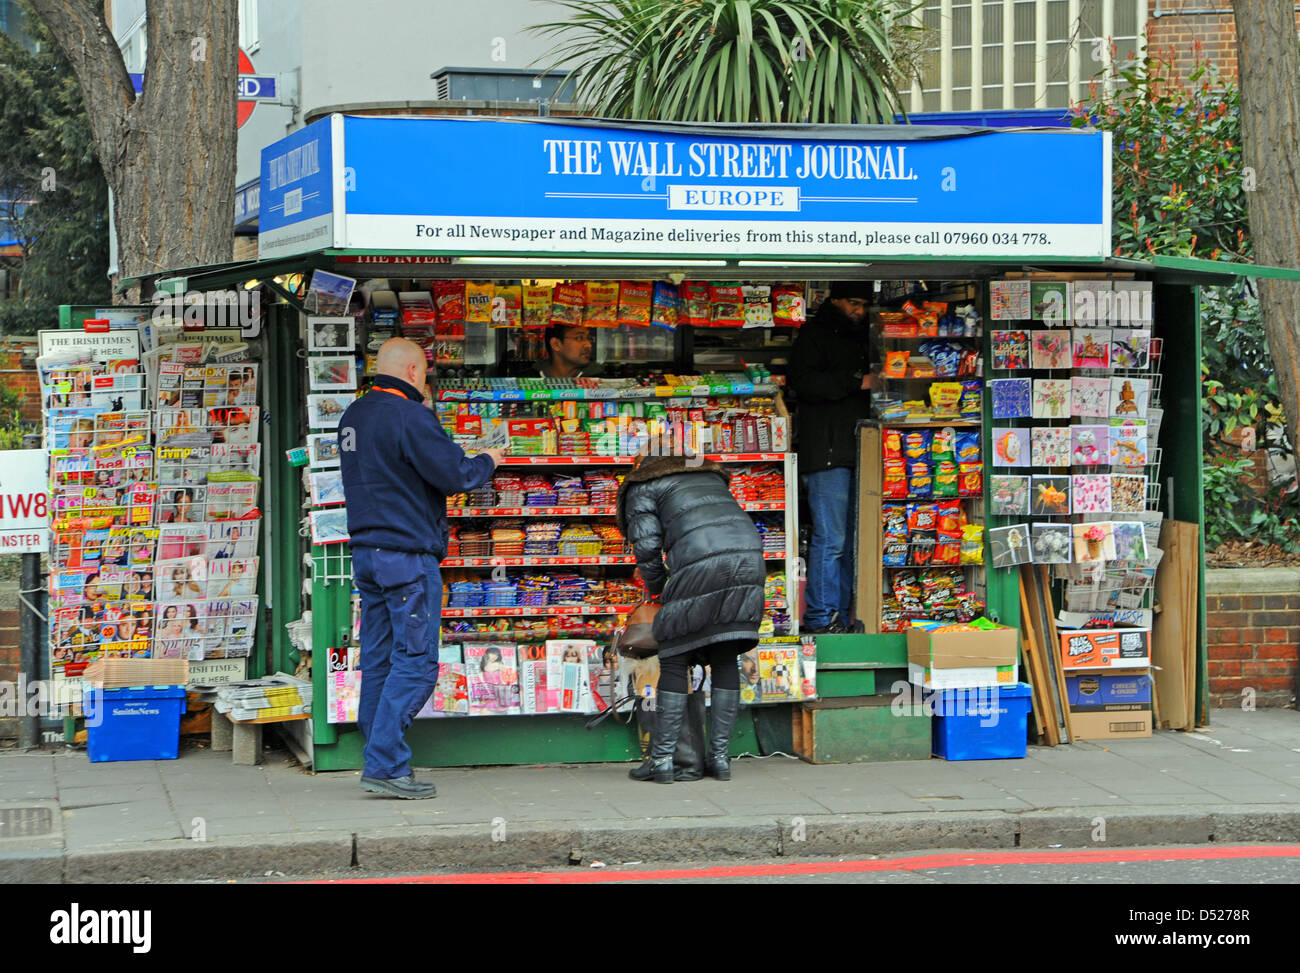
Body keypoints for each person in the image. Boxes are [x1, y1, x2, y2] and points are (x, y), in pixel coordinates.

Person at [339, 337, 503, 800]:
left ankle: (377, 753)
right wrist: (490, 458)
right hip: (407, 558)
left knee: (378, 660)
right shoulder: (410, 416)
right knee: (416, 662)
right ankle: (386, 765)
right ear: (413, 371)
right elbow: (456, 476)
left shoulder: (355, 415)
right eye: (425, 372)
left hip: (367, 554)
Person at [616, 454, 764, 784]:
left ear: (639, 467)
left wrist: (658, 591)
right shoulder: (710, 477)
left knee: (672, 656)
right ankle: (720, 760)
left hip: (700, 560)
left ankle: (663, 761)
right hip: (749, 556)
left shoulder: (642, 484)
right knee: (726, 653)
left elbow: (647, 548)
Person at [787, 282, 875, 634]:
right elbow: (803, 382)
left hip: (856, 450)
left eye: (864, 305)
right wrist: (858, 381)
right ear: (834, 300)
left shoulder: (862, 334)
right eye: (854, 303)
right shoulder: (814, 334)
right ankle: (822, 618)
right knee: (832, 539)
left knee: (852, 540)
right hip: (825, 451)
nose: (860, 310)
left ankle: (841, 614)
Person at [538, 324, 603, 378]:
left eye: (589, 338)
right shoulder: (531, 377)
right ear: (556, 344)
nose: (588, 345)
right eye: (579, 338)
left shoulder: (600, 379)